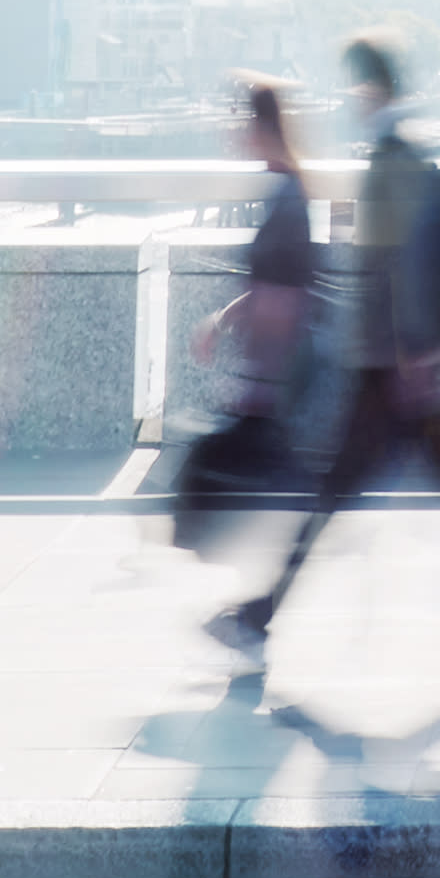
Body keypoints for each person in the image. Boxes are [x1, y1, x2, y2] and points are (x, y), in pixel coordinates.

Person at [218, 39, 440, 668]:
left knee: (411, 493)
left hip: (397, 370)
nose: (348, 99)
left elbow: (409, 266)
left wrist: (413, 360)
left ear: (369, 89)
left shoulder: (392, 161)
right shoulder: (399, 154)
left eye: (353, 86)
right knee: (372, 493)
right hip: (395, 367)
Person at [172, 81, 320, 551]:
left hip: (277, 376)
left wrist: (257, 382)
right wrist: (224, 319)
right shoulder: (286, 189)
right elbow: (276, 284)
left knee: (275, 501)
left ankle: (260, 610)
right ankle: (261, 607)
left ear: (260, 127)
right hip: (277, 374)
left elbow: (284, 295)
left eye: (240, 121)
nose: (234, 132)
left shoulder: (288, 198)